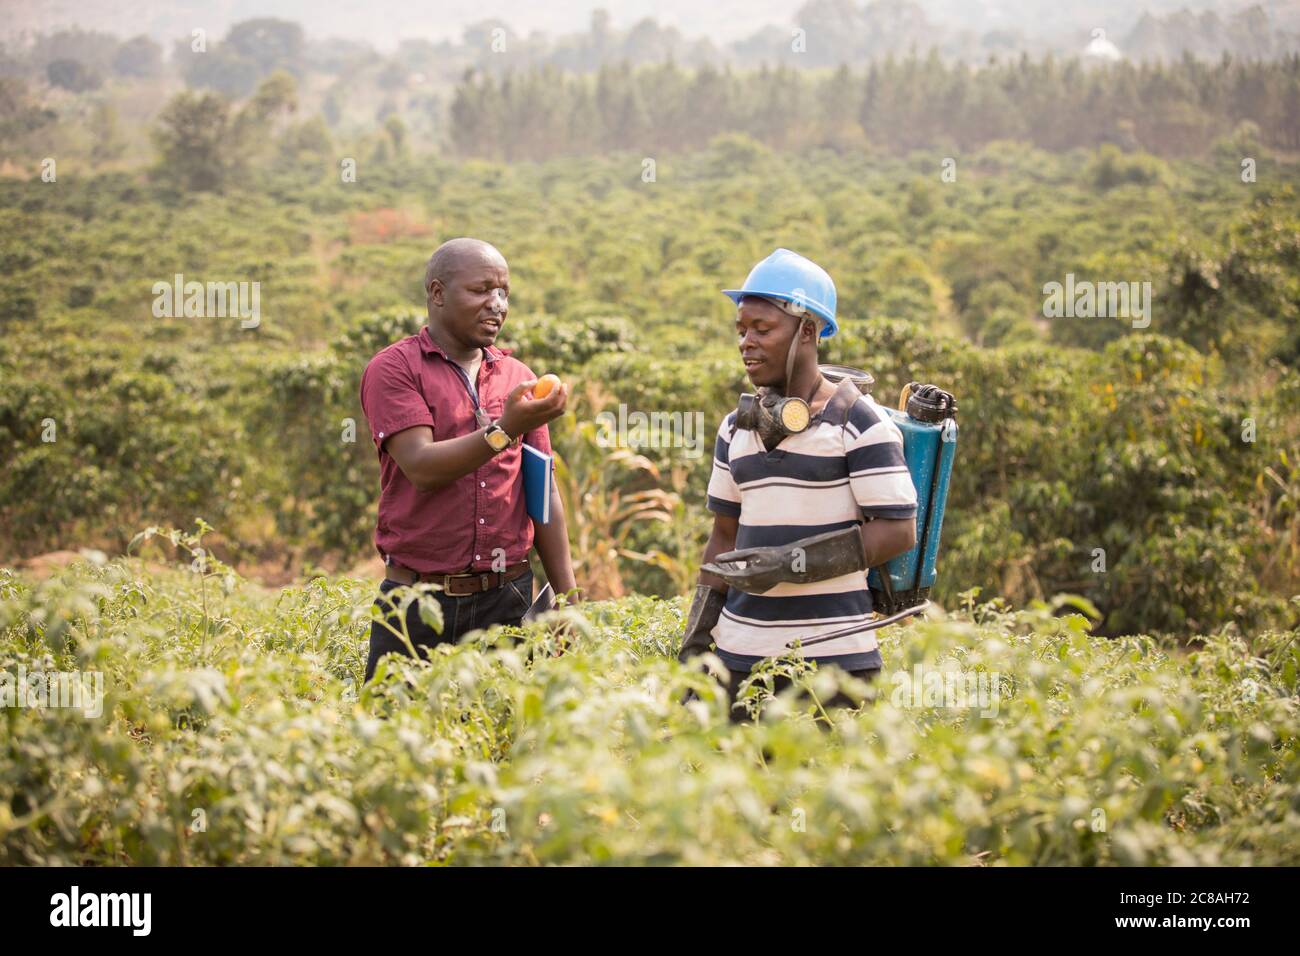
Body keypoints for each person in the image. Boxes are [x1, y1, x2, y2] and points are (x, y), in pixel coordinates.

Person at [679, 248, 918, 719]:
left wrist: (789, 563)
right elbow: (723, 538)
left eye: (762, 329)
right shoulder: (735, 428)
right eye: (741, 330)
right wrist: (695, 651)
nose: (746, 342)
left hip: (835, 664)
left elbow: (897, 531)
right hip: (739, 662)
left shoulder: (860, 424)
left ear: (807, 330)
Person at [359, 237, 578, 682]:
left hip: (508, 600)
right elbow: (420, 466)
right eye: (481, 291)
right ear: (437, 293)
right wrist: (505, 429)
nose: (496, 304)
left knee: (498, 742)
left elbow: (542, 489)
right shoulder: (395, 369)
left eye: (503, 292)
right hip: (417, 604)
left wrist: (569, 597)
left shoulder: (519, 379)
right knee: (397, 741)